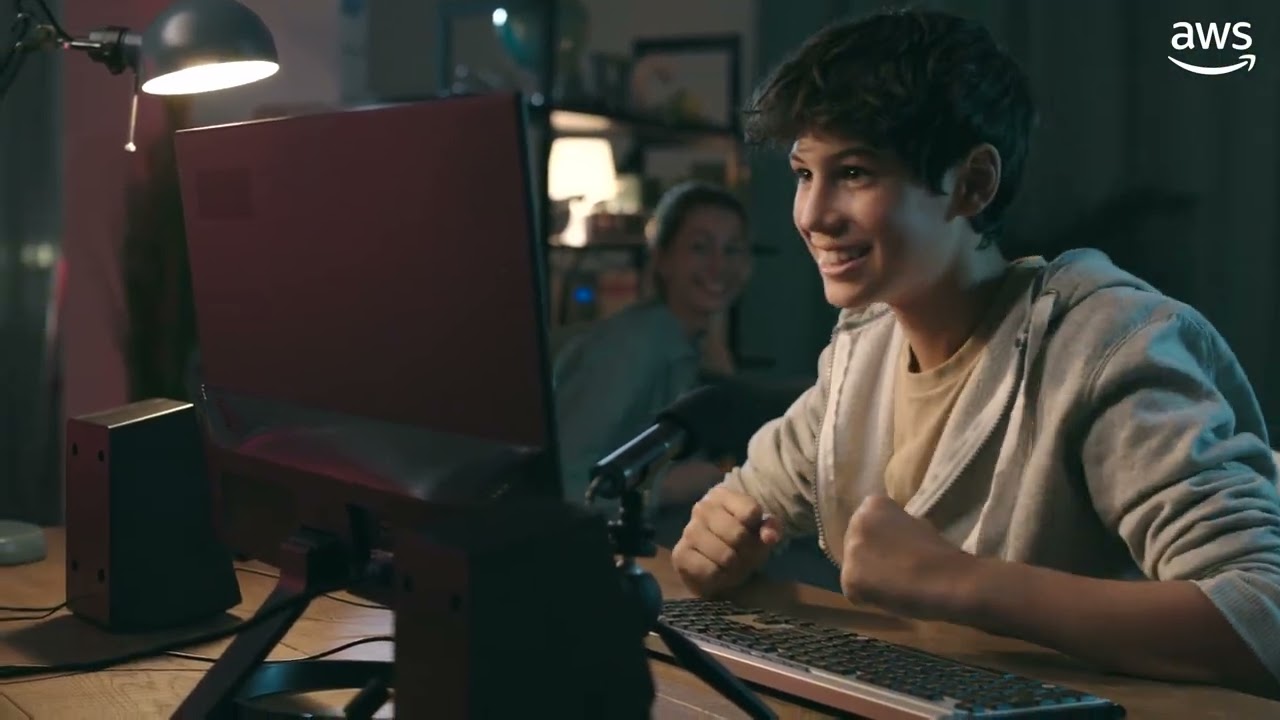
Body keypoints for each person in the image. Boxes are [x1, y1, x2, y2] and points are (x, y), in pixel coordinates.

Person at [671, 8, 1280, 697]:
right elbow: (735, 512)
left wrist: (956, 582)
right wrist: (715, 547)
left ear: (973, 184)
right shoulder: (861, 354)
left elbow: (1263, 618)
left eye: (855, 172)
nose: (812, 214)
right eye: (804, 173)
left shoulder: (1106, 343)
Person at [554, 181, 752, 508]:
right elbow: (562, 483)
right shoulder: (630, 347)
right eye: (699, 247)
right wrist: (665, 489)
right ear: (662, 258)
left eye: (732, 249)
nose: (719, 265)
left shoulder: (693, 343)